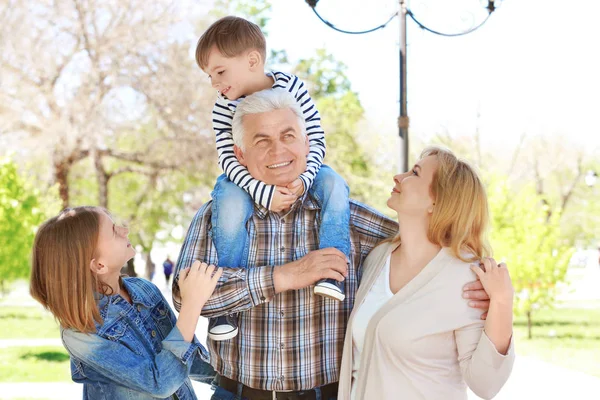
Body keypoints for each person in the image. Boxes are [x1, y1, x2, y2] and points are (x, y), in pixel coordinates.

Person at [172, 89, 494, 400]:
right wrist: (284, 276)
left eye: (288, 136)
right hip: (238, 394)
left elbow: (432, 237)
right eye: (262, 141)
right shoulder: (218, 214)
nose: (278, 151)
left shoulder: (345, 217)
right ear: (240, 154)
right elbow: (185, 297)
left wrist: (478, 279)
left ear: (307, 143)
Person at [195, 16, 350, 341]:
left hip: (305, 170)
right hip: (244, 180)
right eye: (210, 76)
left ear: (252, 60)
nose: (214, 82)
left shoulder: (292, 87)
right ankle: (226, 303)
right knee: (228, 198)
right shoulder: (223, 106)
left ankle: (332, 270)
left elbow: (316, 140)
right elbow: (229, 157)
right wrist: (262, 192)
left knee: (335, 184)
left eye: (220, 72)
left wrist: (305, 180)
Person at [338, 147, 515, 400]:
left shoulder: (465, 276)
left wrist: (502, 302)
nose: (398, 176)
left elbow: (486, 384)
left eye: (415, 173)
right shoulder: (377, 258)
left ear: (437, 201)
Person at [29, 206, 221, 400]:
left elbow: (188, 358)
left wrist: (242, 380)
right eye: (113, 231)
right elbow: (160, 383)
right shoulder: (81, 334)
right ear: (99, 265)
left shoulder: (144, 290)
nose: (124, 230)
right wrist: (192, 306)